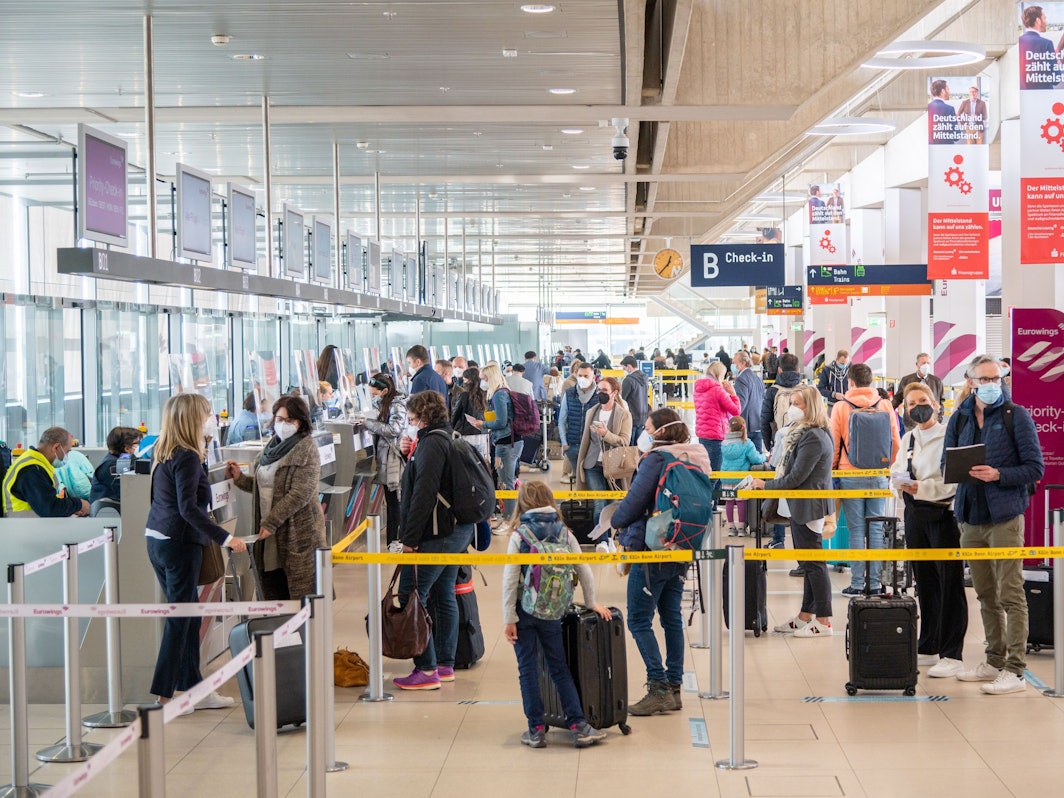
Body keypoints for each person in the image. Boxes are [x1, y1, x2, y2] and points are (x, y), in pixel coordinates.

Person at [943, 355, 1044, 694]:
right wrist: (960, 469)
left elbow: (1035, 468)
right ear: (970, 381)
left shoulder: (1017, 417)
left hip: (1005, 514)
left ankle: (1015, 669)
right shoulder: (959, 418)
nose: (990, 385)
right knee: (985, 593)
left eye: (996, 378)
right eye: (983, 379)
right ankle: (993, 659)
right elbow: (947, 461)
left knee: (1010, 593)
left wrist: (999, 474)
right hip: (970, 514)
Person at [144, 394, 248, 712]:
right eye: (206, 414)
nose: (211, 419)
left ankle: (192, 688)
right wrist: (226, 538)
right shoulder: (187, 456)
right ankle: (164, 696)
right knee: (181, 617)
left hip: (159, 539)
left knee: (188, 615)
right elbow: (188, 508)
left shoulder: (165, 451)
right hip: (179, 543)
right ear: (191, 418)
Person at [611, 408, 711, 715]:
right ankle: (675, 688)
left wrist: (614, 519)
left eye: (648, 427)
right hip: (683, 545)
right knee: (671, 619)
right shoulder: (698, 455)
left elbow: (634, 503)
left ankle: (657, 687)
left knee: (639, 620)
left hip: (653, 546)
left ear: (661, 432)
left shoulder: (656, 459)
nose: (645, 431)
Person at [501, 481, 610, 748]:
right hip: (554, 611)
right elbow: (583, 569)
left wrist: (509, 618)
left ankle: (536, 729)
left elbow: (509, 579)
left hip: (525, 610)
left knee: (527, 669)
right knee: (559, 668)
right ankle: (579, 725)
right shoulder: (564, 533)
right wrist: (591, 602)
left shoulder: (520, 535)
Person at [393, 391, 476, 691]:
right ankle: (445, 664)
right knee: (443, 593)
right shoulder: (446, 436)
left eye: (413, 417)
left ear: (423, 416)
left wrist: (409, 540)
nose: (410, 422)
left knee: (411, 593)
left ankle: (427, 669)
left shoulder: (431, 444)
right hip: (459, 529)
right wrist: (409, 455)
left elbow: (423, 496)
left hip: (440, 533)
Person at [890, 383, 968, 678]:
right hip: (914, 514)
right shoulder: (909, 437)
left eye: (923, 400)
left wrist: (921, 487)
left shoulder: (951, 436)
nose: (918, 406)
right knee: (924, 580)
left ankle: (952, 652)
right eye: (911, 403)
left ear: (936, 404)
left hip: (943, 514)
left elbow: (955, 482)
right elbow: (897, 469)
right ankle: (929, 642)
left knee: (949, 582)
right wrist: (899, 483)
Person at [750, 386, 835, 637]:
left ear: (810, 406)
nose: (792, 408)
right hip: (800, 506)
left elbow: (797, 476)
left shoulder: (813, 436)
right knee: (807, 563)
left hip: (809, 506)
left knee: (814, 563)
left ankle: (824, 620)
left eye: (797, 403)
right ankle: (805, 615)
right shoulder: (804, 433)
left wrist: (766, 485)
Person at [226, 395, 326, 599]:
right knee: (273, 591)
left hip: (296, 533)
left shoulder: (307, 448)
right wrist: (240, 479)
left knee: (299, 595)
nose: (284, 425)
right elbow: (266, 485)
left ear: (301, 422)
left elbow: (300, 493)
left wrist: (271, 522)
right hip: (269, 534)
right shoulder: (272, 447)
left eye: (290, 420)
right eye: (280, 419)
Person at [831, 362, 901, 596]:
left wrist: (833, 471)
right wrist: (887, 467)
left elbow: (834, 443)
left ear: (850, 382)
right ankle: (875, 583)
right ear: (871, 382)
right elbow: (895, 440)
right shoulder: (885, 405)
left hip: (849, 473)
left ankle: (858, 584)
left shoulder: (841, 407)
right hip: (878, 474)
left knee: (857, 530)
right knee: (876, 529)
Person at [574, 376, 632, 526]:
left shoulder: (624, 415)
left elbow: (624, 441)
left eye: (605, 390)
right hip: (592, 465)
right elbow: (586, 440)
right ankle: (602, 542)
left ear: (614, 393)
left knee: (611, 506)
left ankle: (608, 539)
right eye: (599, 390)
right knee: (599, 504)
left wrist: (606, 434)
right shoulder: (591, 412)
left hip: (614, 466)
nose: (601, 393)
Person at [472, 363, 523, 518]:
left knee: (507, 483)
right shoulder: (502, 392)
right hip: (506, 441)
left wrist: (483, 424)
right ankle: (508, 517)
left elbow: (501, 422)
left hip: (507, 443)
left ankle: (509, 519)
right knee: (506, 480)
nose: (482, 382)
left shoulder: (499, 395)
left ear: (490, 377)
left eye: (483, 378)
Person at [2, 427, 89, 517]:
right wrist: (79, 504)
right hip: (24, 527)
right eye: (67, 451)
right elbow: (49, 508)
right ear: (56, 447)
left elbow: (47, 499)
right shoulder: (31, 470)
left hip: (31, 525)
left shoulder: (36, 463)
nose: (67, 456)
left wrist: (69, 509)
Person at [363, 373, 408, 545]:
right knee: (392, 502)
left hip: (393, 458)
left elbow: (394, 429)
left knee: (394, 502)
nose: (372, 397)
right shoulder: (385, 402)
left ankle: (395, 541)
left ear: (385, 391)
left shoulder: (397, 404)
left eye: (374, 394)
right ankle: (394, 541)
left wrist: (368, 423)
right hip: (386, 457)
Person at [693, 361, 740, 496]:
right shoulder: (717, 390)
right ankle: (707, 505)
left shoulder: (698, 388)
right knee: (715, 474)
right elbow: (736, 411)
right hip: (716, 435)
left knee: (709, 471)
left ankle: (713, 506)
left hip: (703, 435)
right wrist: (733, 393)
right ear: (719, 374)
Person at [721, 417, 766, 535]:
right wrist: (765, 457)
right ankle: (741, 528)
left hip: (726, 477)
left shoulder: (724, 443)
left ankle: (731, 527)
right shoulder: (746, 443)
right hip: (741, 479)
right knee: (741, 502)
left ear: (729, 428)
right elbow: (755, 459)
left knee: (729, 502)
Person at [558, 362, 598, 478]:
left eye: (586, 376)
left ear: (593, 377)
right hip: (573, 445)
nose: (582, 379)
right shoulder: (570, 394)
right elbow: (562, 420)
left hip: (593, 446)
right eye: (580, 376)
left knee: (591, 480)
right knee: (578, 480)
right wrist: (565, 444)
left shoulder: (599, 394)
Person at [89, 426, 143, 506]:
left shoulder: (121, 459)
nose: (141, 446)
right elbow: (127, 488)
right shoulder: (109, 465)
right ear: (127, 448)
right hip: (107, 511)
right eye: (138, 443)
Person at [893, 353, 945, 430]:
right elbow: (897, 399)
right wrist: (888, 409)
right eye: (924, 363)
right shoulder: (906, 380)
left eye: (928, 363)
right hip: (911, 423)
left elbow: (941, 401)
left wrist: (939, 419)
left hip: (931, 422)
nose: (926, 365)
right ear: (917, 364)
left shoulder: (937, 381)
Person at [762, 352, 802, 450]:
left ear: (779, 370)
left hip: (780, 442)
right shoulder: (806, 390)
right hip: (802, 442)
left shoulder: (772, 391)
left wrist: (768, 446)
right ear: (798, 370)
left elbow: (765, 420)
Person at [732, 350, 765, 454]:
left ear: (743, 363)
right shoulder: (757, 377)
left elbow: (740, 404)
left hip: (746, 425)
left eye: (735, 363)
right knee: (757, 460)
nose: (733, 365)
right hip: (757, 422)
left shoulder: (741, 379)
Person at [1020, 5, 1059, 91]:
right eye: (1044, 18)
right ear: (1038, 21)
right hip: (1044, 97)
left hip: (1023, 97)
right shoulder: (1046, 44)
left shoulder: (1017, 43)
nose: (1046, 21)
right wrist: (1058, 63)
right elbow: (1056, 79)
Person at [619, 356, 650, 445]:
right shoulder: (645, 378)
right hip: (643, 416)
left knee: (629, 446)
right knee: (639, 446)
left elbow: (622, 399)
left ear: (629, 366)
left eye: (624, 368)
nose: (624, 371)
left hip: (631, 417)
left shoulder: (628, 380)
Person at [927, 79, 959, 145]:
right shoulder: (950, 109)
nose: (949, 92)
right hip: (947, 149)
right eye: (948, 89)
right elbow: (956, 136)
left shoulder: (926, 108)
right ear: (943, 91)